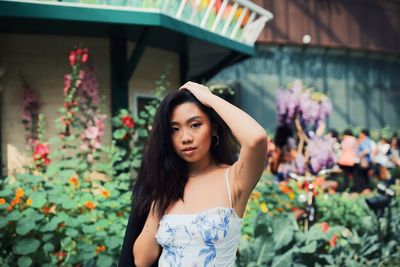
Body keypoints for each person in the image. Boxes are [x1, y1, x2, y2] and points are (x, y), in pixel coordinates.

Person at [118, 82, 268, 267]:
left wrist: (210, 99)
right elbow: (141, 260)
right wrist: (159, 202)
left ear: (213, 128)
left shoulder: (234, 179)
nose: (186, 137)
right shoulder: (166, 185)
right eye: (175, 129)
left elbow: (256, 138)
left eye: (195, 125)